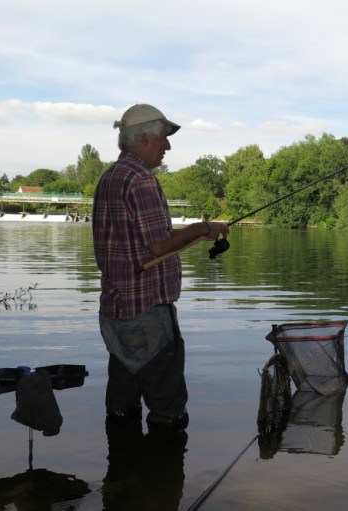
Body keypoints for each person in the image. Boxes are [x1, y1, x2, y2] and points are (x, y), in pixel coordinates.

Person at [93, 103, 228, 433]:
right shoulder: (141, 179)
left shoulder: (109, 177)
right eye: (163, 138)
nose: (167, 146)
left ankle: (121, 461)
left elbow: (142, 244)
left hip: (115, 310)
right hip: (148, 313)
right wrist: (202, 228)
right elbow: (159, 246)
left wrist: (196, 233)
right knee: (168, 413)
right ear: (145, 139)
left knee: (122, 408)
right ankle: (163, 462)